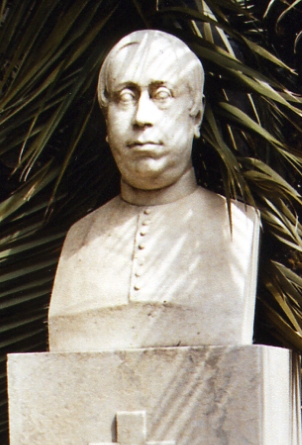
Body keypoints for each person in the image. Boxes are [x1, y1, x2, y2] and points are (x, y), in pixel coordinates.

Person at [47, 29, 260, 352]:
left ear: (196, 115)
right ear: (106, 122)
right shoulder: (80, 239)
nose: (141, 118)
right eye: (125, 97)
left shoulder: (237, 226)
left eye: (161, 95)